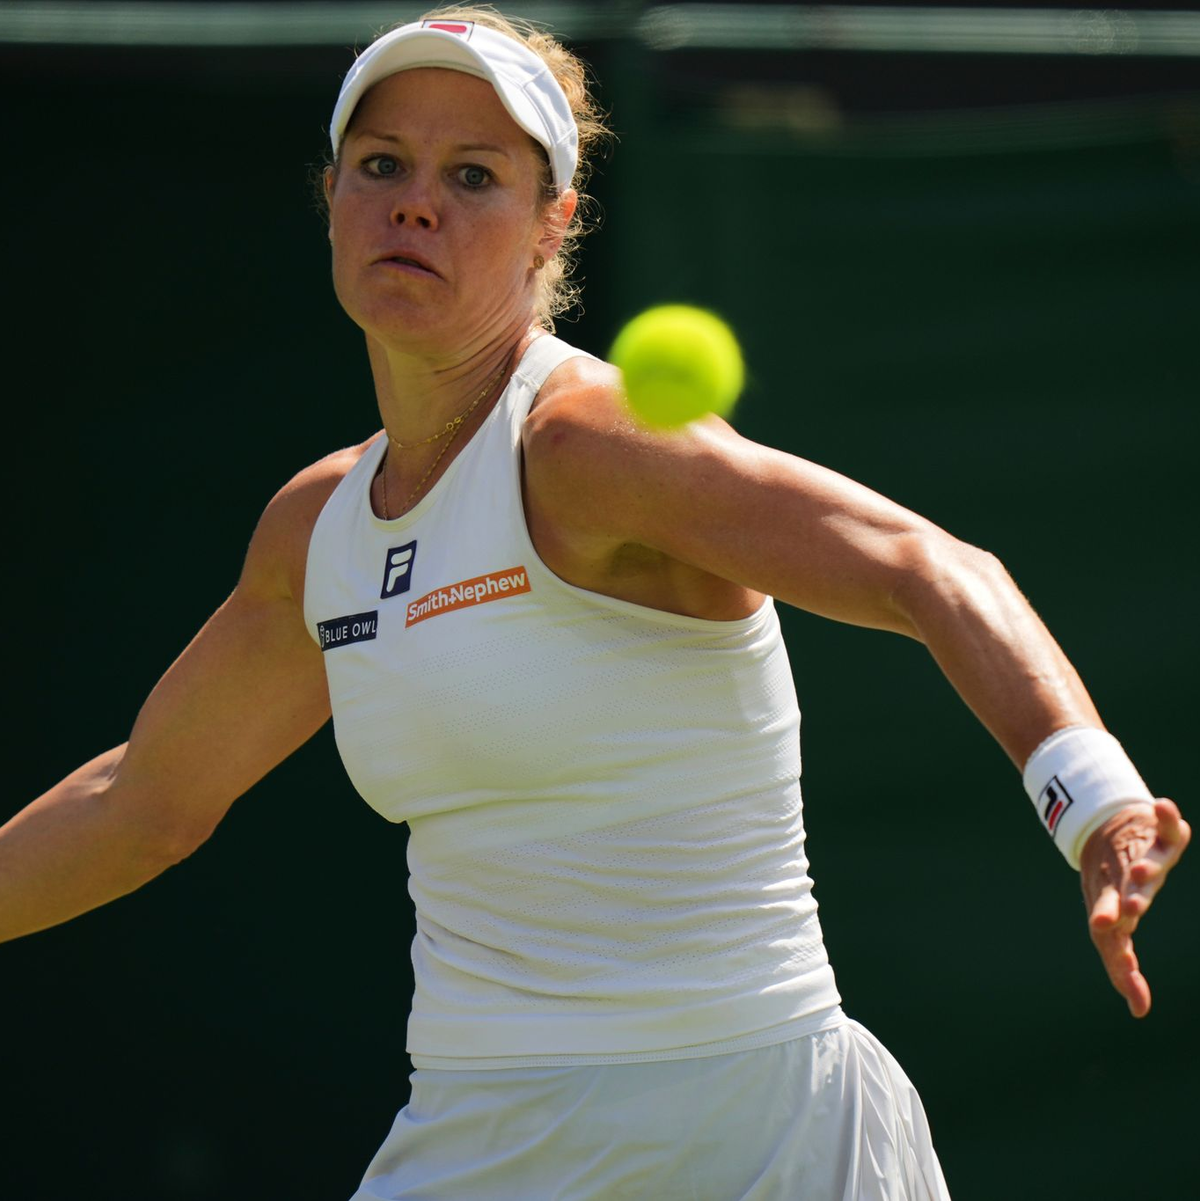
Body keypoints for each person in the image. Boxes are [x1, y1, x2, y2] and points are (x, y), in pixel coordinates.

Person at [0, 7, 1189, 1199]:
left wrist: (1095, 803)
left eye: (475, 176)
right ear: (333, 197)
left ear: (548, 227)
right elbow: (141, 799)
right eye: (383, 165)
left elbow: (929, 566)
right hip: (479, 1135)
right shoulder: (319, 531)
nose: (417, 203)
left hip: (755, 1134)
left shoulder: (591, 445)